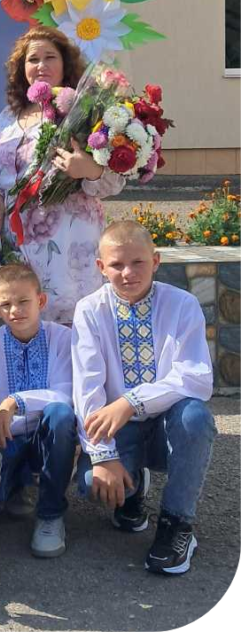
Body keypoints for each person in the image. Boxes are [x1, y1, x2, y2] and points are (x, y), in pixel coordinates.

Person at [72, 220, 216, 575]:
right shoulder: (89, 310)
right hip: (122, 430)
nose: (128, 273)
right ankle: (132, 487)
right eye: (116, 264)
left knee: (195, 417)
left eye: (138, 262)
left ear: (156, 260)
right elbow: (87, 387)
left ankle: (177, 523)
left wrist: (130, 402)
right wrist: (104, 456)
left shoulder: (182, 304)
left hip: (168, 423)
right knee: (91, 482)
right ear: (100, 267)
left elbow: (196, 376)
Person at [0, 26, 125, 324]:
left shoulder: (85, 110)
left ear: (64, 64)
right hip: (16, 241)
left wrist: (88, 169)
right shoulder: (7, 117)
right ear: (22, 69)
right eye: (33, 59)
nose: (41, 65)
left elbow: (115, 180)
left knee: (73, 325)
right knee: (22, 322)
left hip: (68, 243)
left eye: (50, 57)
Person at [0, 264, 76, 558]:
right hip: (7, 437)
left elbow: (65, 394)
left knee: (60, 415)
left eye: (23, 301)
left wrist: (15, 401)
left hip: (48, 435)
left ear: (40, 301)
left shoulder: (62, 338)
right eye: (6, 304)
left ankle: (50, 514)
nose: (15, 310)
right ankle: (17, 486)